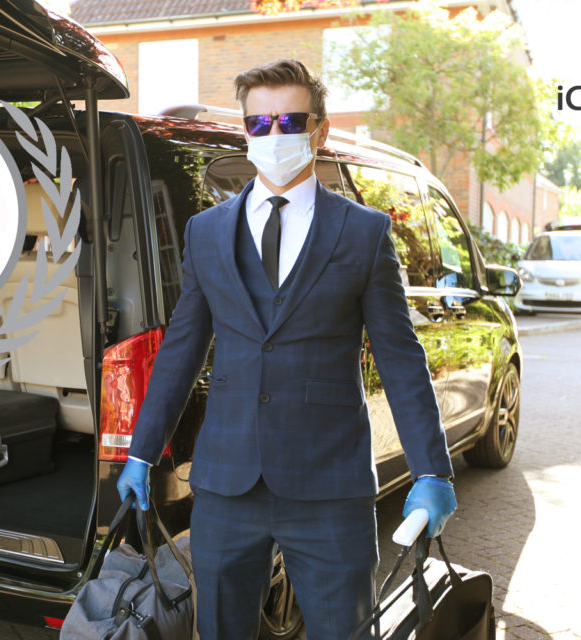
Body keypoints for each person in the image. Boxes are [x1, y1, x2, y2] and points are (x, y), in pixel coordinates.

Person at [117, 59, 456, 640]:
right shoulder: (206, 231)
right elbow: (181, 351)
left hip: (329, 486)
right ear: (246, 132)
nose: (274, 136)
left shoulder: (365, 233)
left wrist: (431, 469)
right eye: (259, 123)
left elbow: (401, 359)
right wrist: (142, 452)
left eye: (290, 120)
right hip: (227, 485)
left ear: (319, 130)